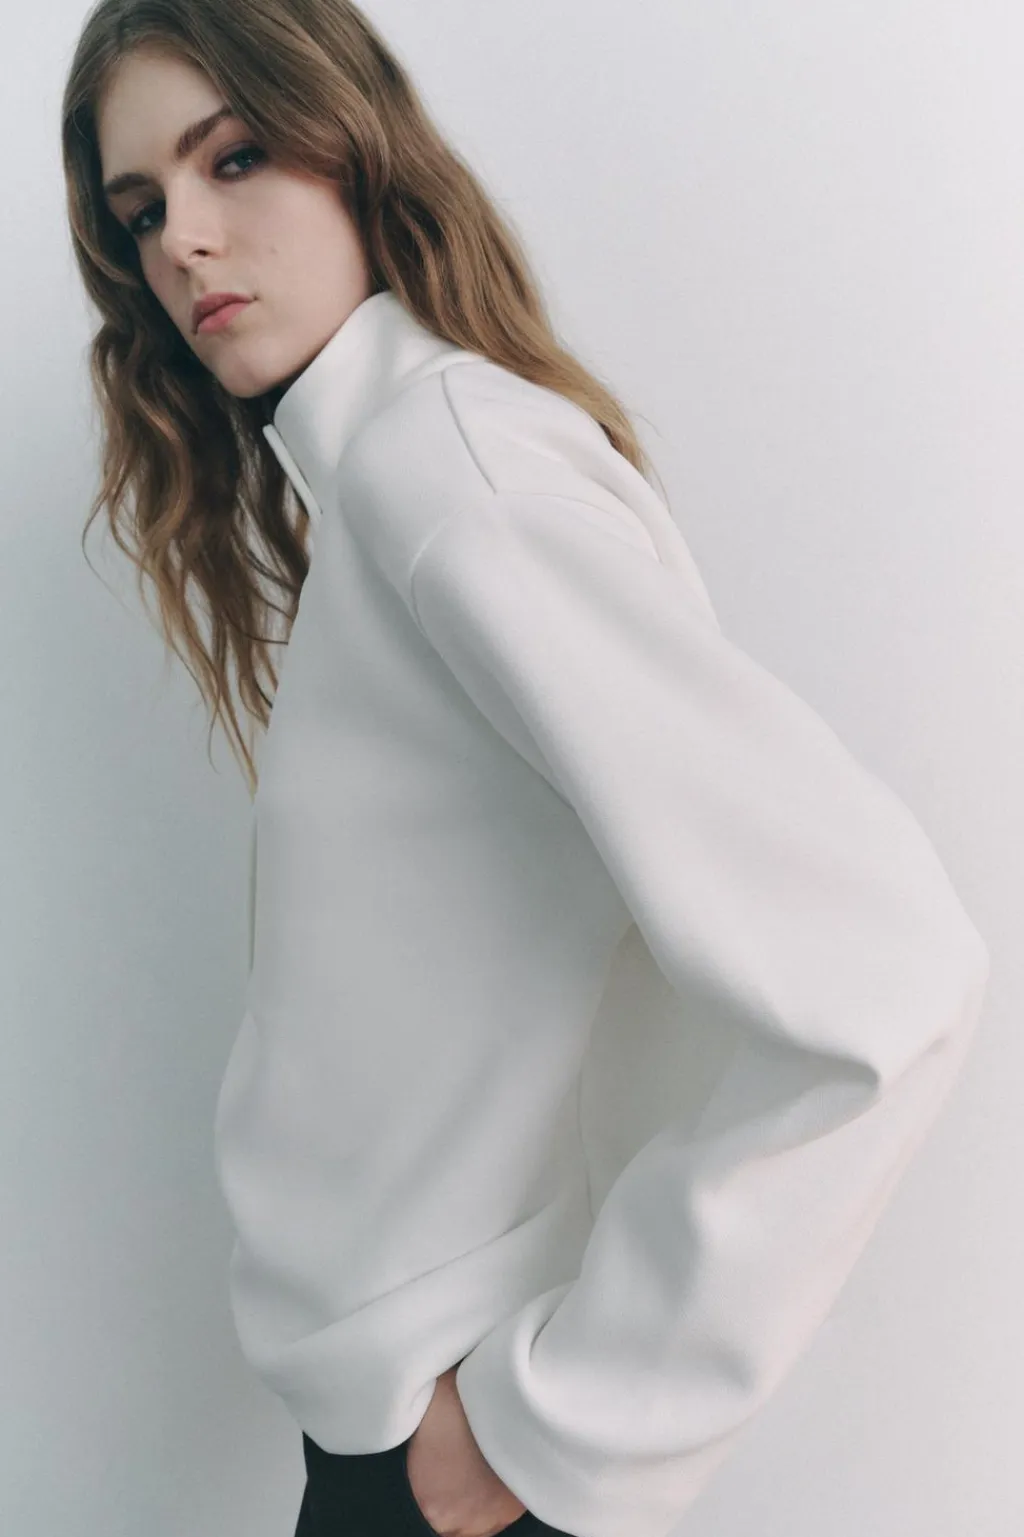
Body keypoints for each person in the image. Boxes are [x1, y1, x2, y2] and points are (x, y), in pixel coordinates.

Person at [62, 3, 990, 1536]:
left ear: (357, 146)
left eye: (232, 159)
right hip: (400, 1432)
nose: (185, 244)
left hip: (451, 1463)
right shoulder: (392, 486)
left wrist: (557, 1421)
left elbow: (888, 971)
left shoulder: (450, 478)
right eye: (140, 210)